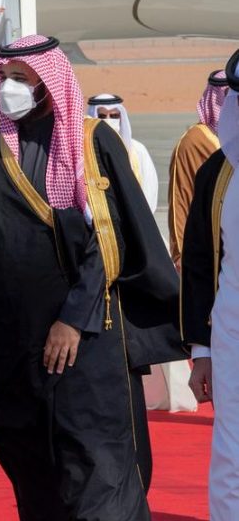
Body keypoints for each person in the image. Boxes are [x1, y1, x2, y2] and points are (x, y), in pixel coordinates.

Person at [0, 35, 184, 521]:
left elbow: (107, 245)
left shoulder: (91, 143)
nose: (11, 89)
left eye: (23, 78)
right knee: (33, 457)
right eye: (6, 77)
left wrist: (73, 319)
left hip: (87, 333)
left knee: (92, 447)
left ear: (49, 82)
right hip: (13, 335)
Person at [87, 93, 195, 413]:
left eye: (113, 115)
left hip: (139, 247)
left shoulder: (138, 152)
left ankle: (168, 395)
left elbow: (145, 199)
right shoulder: (84, 151)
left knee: (151, 317)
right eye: (101, 114)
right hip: (99, 248)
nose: (108, 121)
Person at [183, 49, 239, 521]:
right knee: (232, 475)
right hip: (231, 346)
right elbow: (201, 264)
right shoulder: (217, 173)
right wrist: (200, 350)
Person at [168, 70, 229, 268]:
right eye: (228, 96)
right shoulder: (195, 141)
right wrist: (181, 258)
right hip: (209, 254)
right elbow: (181, 200)